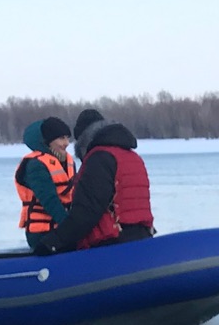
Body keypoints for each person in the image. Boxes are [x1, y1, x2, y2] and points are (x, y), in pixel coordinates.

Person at [38, 108, 154, 252]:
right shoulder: (132, 157)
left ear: (83, 141)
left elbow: (87, 211)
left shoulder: (99, 159)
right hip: (142, 240)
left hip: (111, 245)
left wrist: (53, 241)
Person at [14, 117, 76, 248]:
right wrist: (71, 230)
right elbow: (49, 200)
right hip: (42, 233)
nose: (66, 143)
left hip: (62, 228)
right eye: (61, 138)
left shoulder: (68, 162)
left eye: (67, 138)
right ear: (48, 142)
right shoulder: (35, 165)